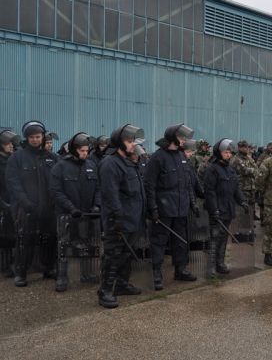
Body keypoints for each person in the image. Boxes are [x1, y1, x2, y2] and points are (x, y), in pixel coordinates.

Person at [97, 124, 146, 308]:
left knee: (126, 255)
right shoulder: (110, 163)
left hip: (133, 219)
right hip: (117, 221)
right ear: (119, 142)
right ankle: (105, 291)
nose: (133, 144)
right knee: (113, 256)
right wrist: (117, 218)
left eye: (133, 141)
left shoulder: (128, 162)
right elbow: (110, 195)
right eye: (129, 141)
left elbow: (137, 192)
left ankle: (121, 284)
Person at [145, 124, 198, 291]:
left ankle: (180, 270)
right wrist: (153, 208)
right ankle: (156, 273)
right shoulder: (158, 158)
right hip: (163, 210)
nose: (183, 140)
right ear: (172, 137)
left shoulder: (182, 156)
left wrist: (192, 203)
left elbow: (187, 184)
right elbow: (149, 185)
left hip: (181, 209)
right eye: (181, 137)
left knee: (180, 241)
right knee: (159, 242)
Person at [6, 121, 58, 287]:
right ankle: (21, 273)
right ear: (27, 138)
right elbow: (13, 183)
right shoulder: (17, 158)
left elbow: (57, 181)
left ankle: (49, 268)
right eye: (32, 137)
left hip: (48, 208)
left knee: (49, 238)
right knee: (25, 240)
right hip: (26, 208)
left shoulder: (52, 157)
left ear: (42, 137)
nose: (35, 140)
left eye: (38, 136)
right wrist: (25, 202)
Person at [49, 132, 101, 292]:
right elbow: (56, 191)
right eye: (82, 151)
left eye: (87, 150)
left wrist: (97, 205)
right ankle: (62, 277)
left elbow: (98, 188)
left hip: (88, 214)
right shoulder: (60, 167)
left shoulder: (92, 165)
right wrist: (71, 208)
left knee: (89, 244)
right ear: (73, 150)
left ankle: (87, 273)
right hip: (67, 215)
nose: (85, 153)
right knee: (64, 246)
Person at [203, 139, 248, 278]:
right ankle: (211, 267)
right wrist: (214, 209)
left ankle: (220, 263)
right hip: (217, 210)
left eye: (230, 152)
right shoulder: (212, 169)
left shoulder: (230, 169)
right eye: (226, 152)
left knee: (223, 238)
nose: (229, 155)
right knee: (214, 238)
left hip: (228, 209)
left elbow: (236, 188)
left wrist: (242, 201)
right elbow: (209, 191)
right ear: (219, 152)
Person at [0, 130, 19, 277]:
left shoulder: (14, 160)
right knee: (4, 238)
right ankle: (5, 266)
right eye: (8, 143)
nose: (11, 146)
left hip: (15, 203)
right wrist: (3, 205)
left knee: (14, 236)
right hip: (3, 205)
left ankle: (13, 263)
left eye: (12, 143)